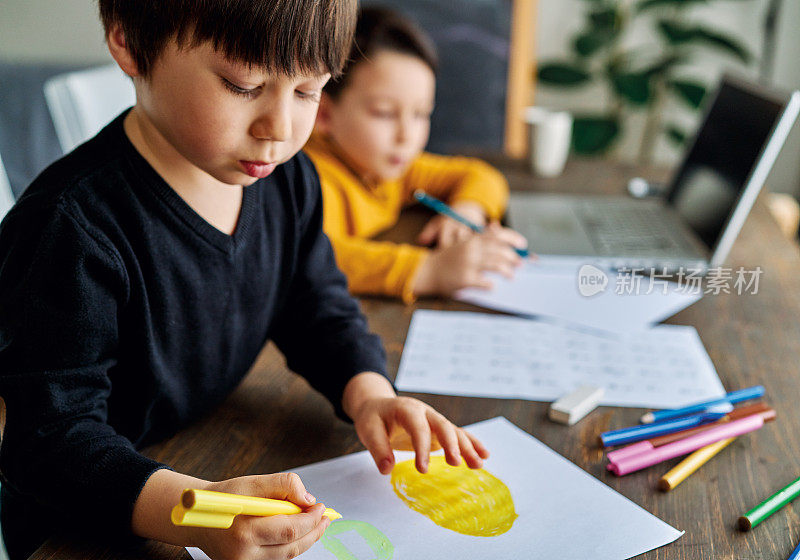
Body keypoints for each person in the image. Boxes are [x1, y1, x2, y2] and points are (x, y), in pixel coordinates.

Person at [0, 2, 488, 559]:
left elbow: (315, 302)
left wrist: (370, 393)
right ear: (129, 44)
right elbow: (48, 440)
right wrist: (194, 510)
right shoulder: (68, 229)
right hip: (83, 520)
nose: (279, 129)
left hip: (202, 452)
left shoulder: (287, 181)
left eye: (309, 91)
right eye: (241, 84)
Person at [304, 7, 529, 304]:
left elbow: (480, 174)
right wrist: (431, 270)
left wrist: (467, 211)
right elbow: (317, 256)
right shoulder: (310, 178)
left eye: (421, 114)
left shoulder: (389, 165)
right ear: (324, 114)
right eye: (384, 114)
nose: (407, 136)